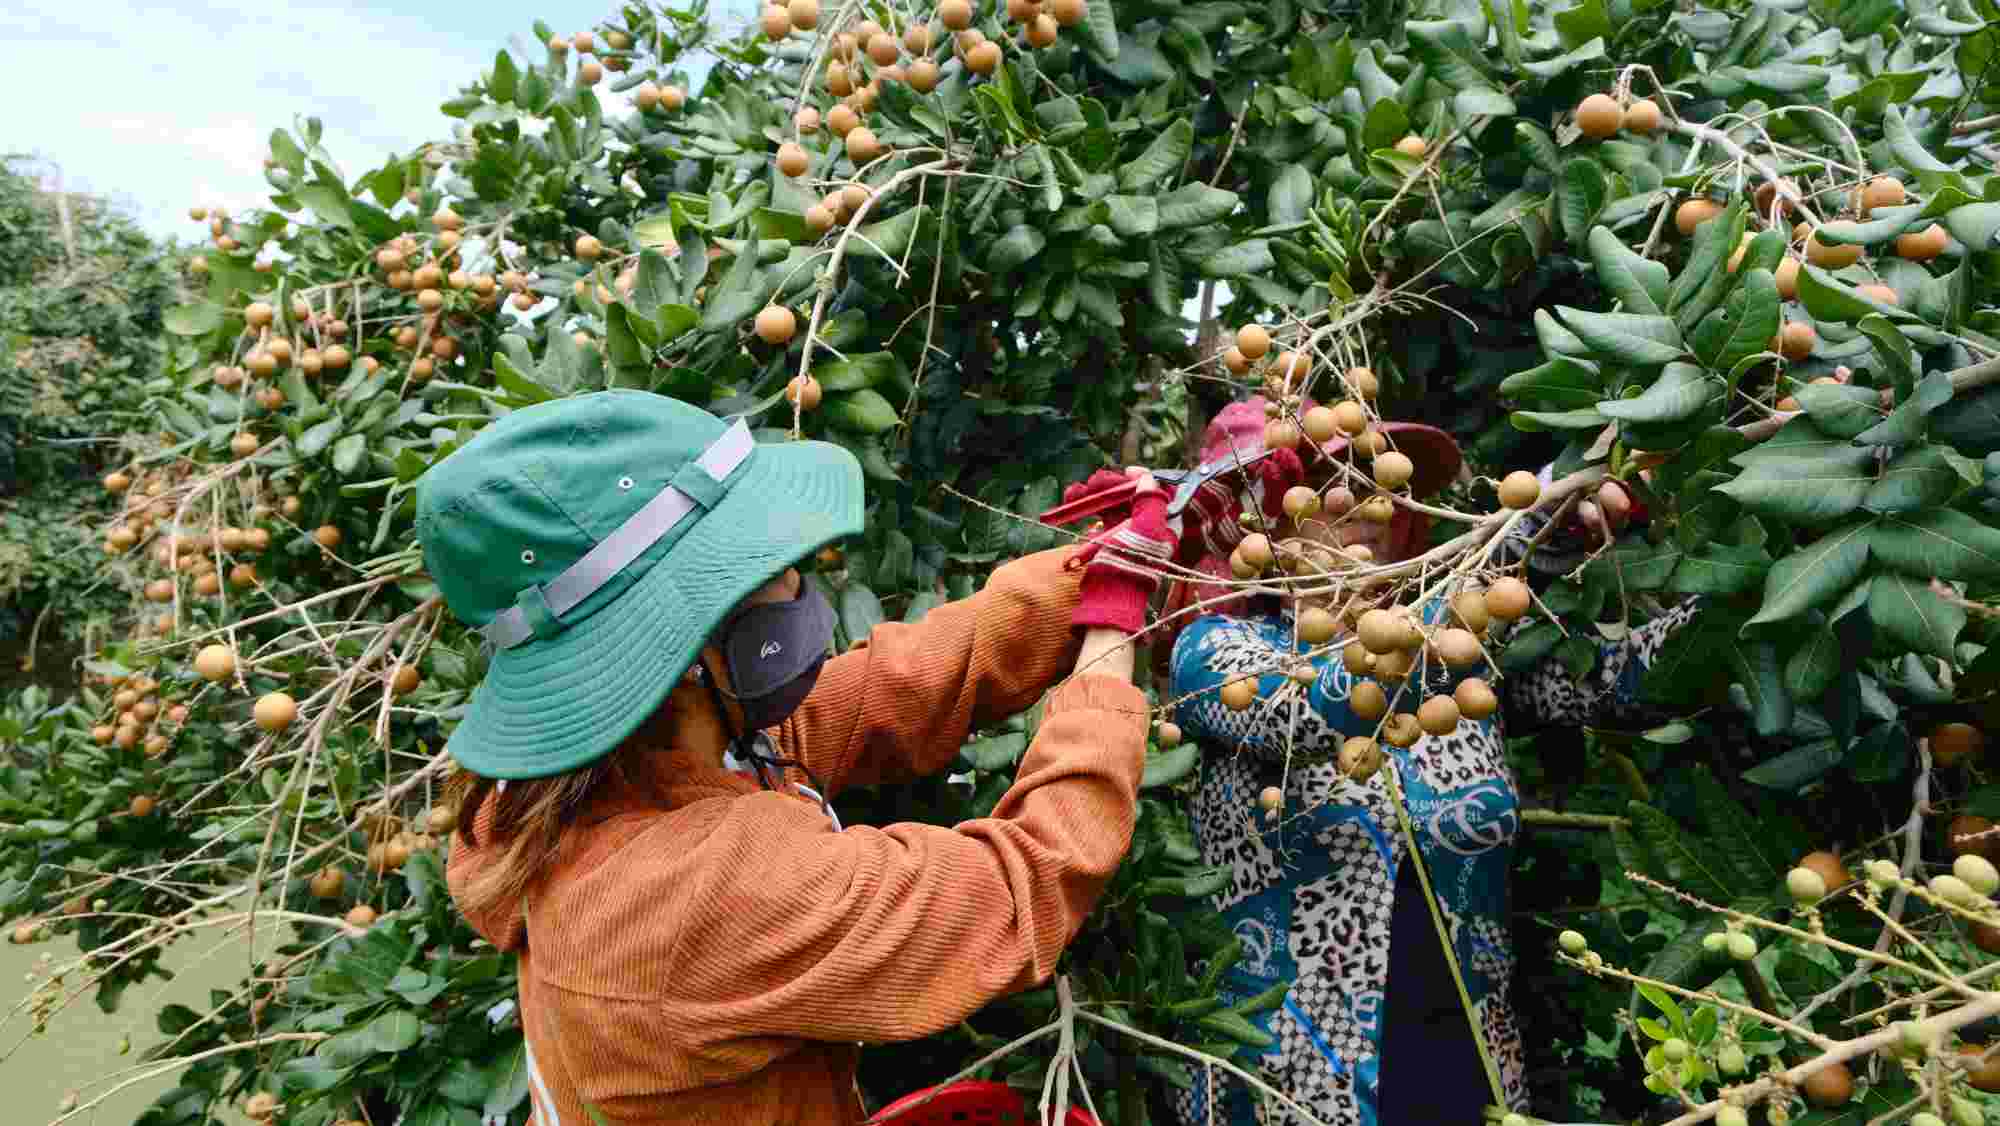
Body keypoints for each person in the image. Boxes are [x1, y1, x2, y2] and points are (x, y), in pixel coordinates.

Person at [419, 390, 1186, 1124]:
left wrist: (1090, 571)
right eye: (762, 571)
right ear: (685, 657)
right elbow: (1013, 891)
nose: (795, 581)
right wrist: (1107, 650)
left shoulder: (608, 778)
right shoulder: (683, 895)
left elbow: (878, 694)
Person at [1155, 399, 1698, 1126]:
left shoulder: (1473, 656)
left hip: (1467, 1068)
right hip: (1288, 1083)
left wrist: (1752, 584)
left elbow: (1625, 684)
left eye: (1372, 485)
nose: (1367, 510)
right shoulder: (1215, 653)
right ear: (1261, 527)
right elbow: (1337, 702)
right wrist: (1530, 525)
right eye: (1330, 490)